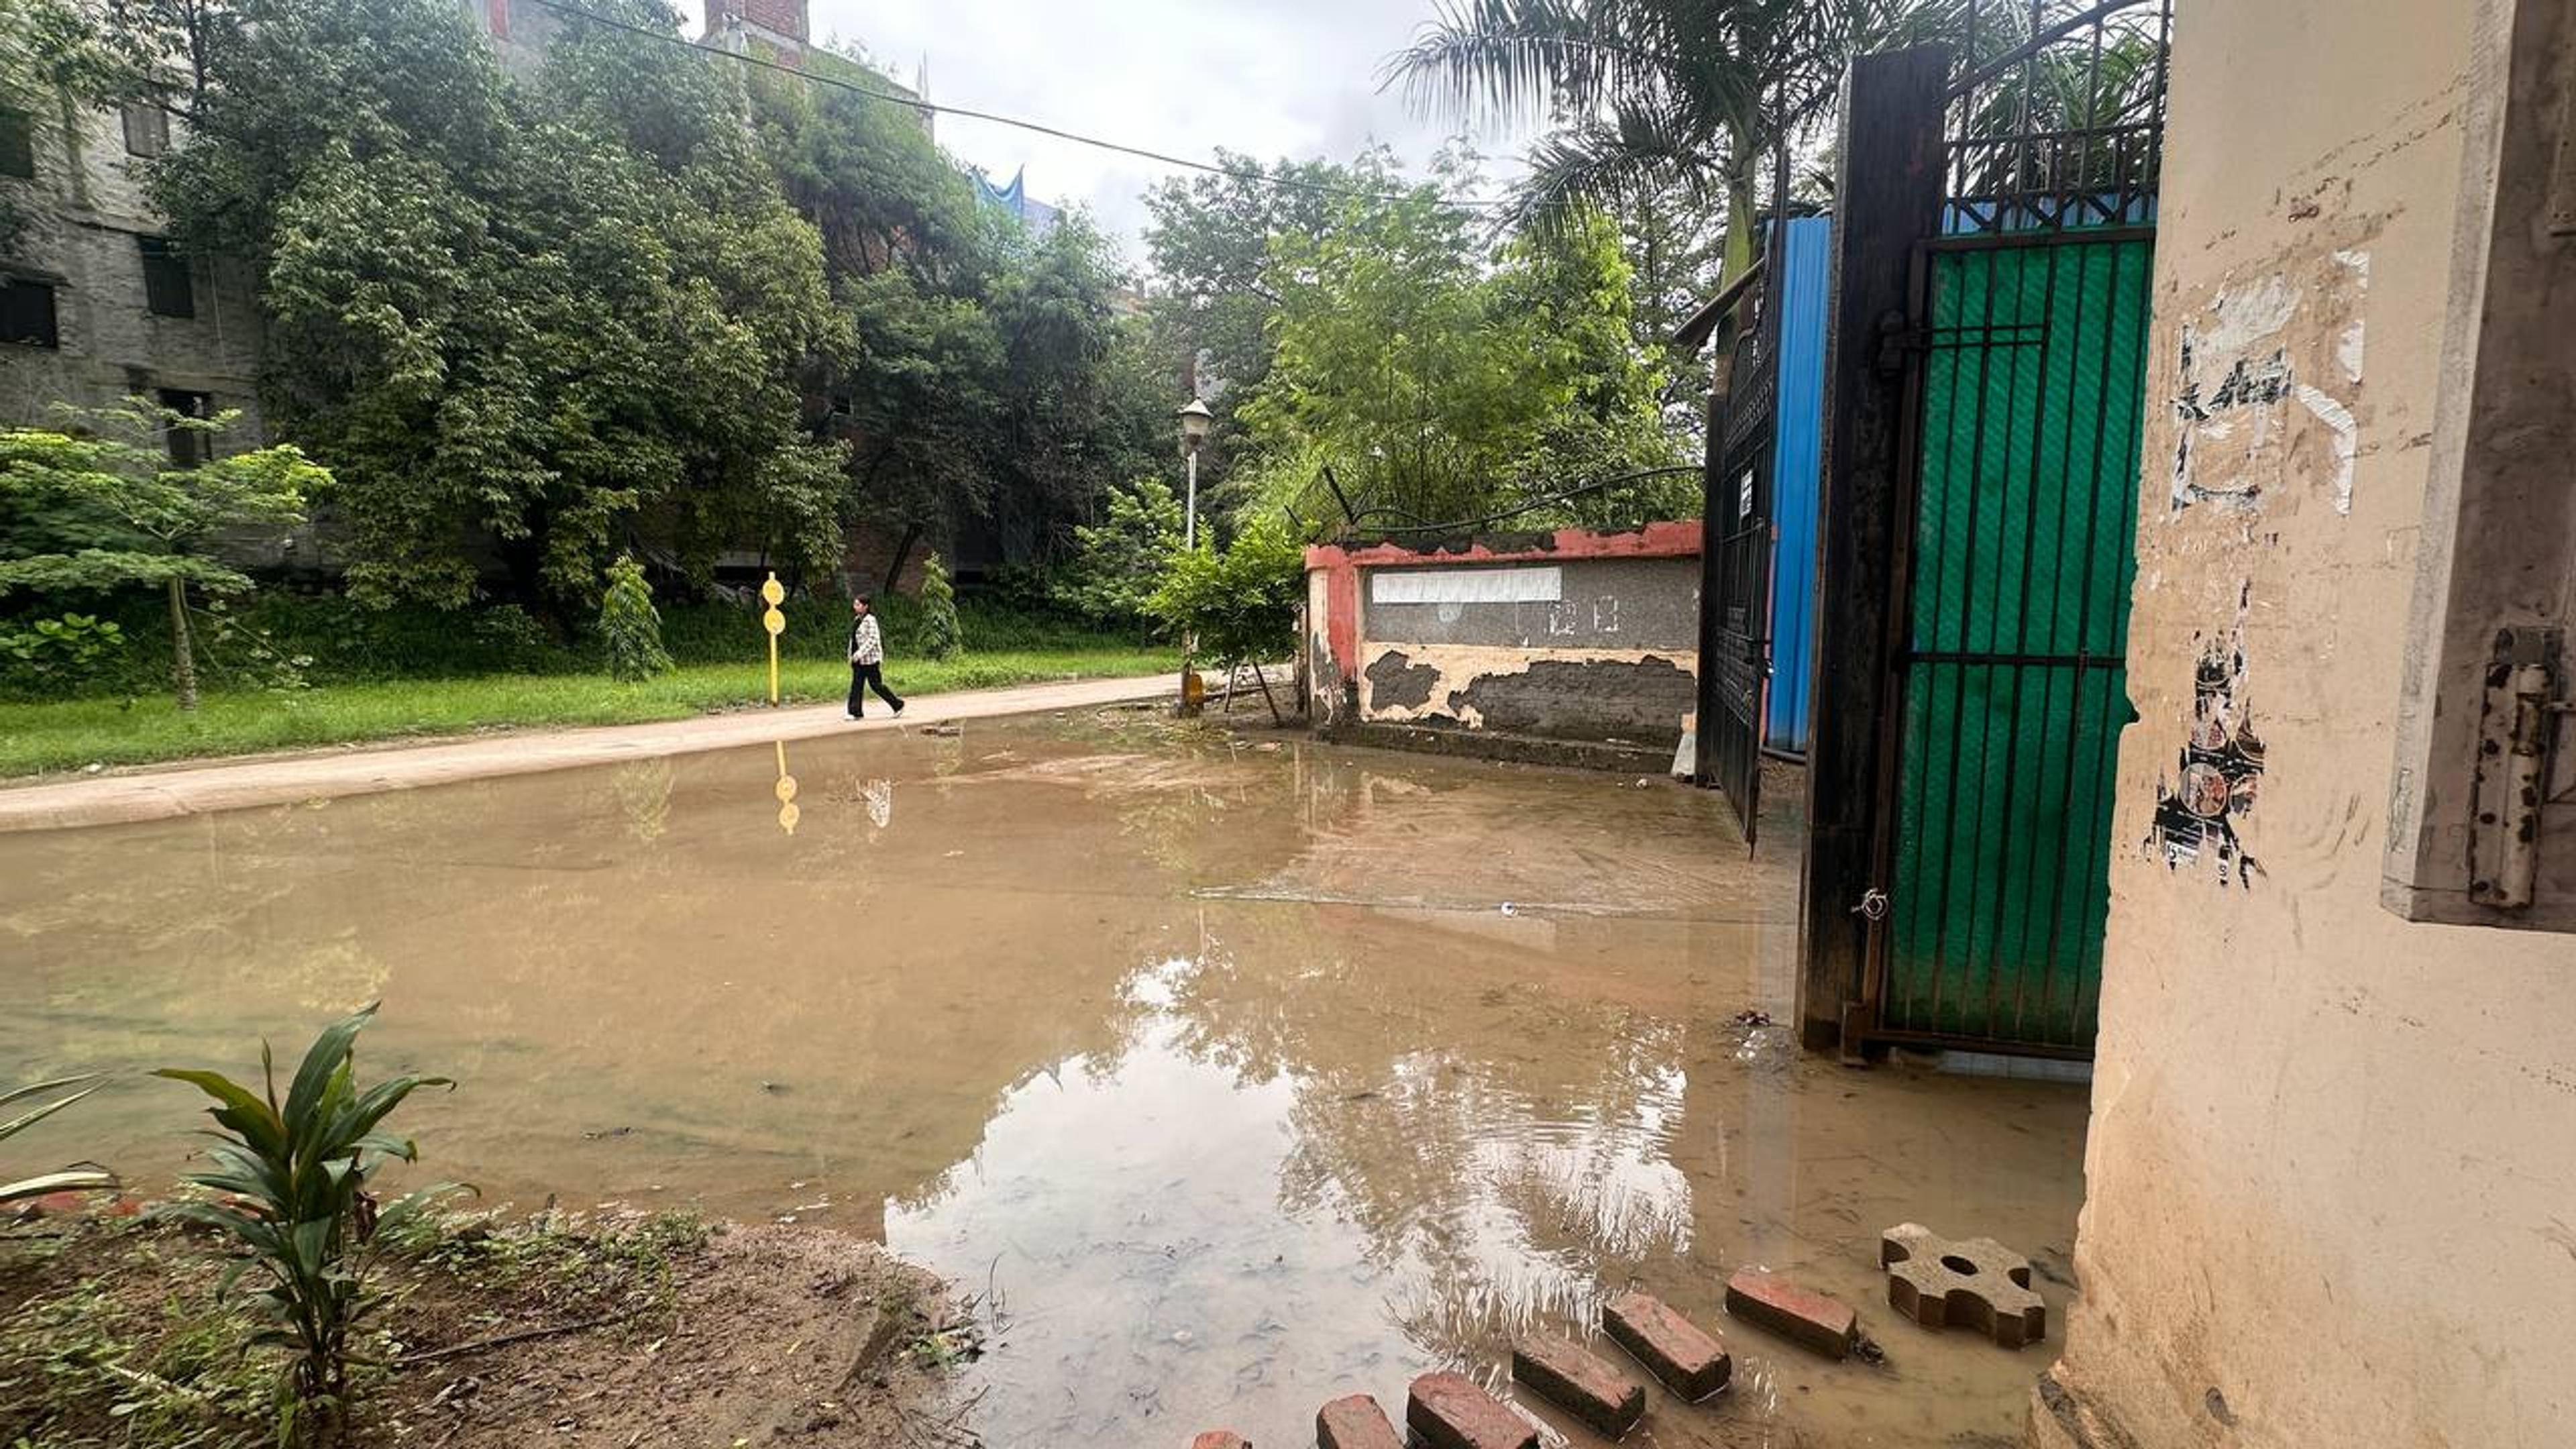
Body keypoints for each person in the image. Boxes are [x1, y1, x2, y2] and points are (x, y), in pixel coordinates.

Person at [846, 595, 904, 720]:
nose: (855, 607)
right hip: (858, 661)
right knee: (856, 685)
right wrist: (851, 655)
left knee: (876, 685)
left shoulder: (871, 620)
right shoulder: (857, 620)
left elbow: (873, 639)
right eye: (855, 604)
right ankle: (855, 712)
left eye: (858, 605)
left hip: (870, 660)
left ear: (866, 606)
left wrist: (860, 653)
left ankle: (897, 705)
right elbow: (853, 640)